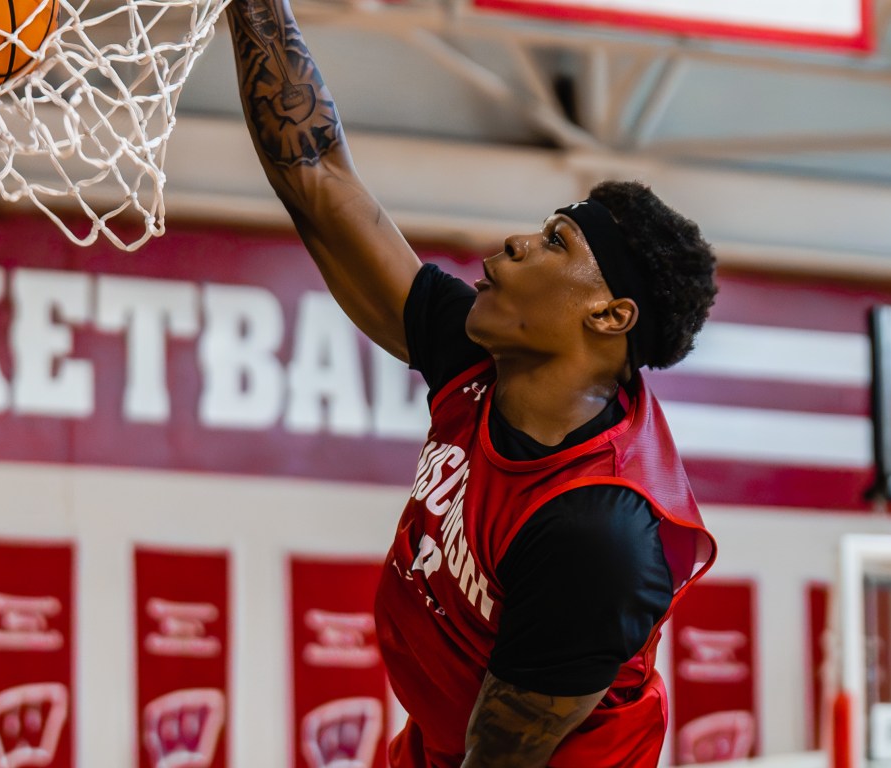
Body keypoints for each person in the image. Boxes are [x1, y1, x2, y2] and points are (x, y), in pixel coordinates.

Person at [223, 2, 722, 766]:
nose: (519, 241)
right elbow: (319, 176)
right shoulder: (484, 357)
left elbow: (501, 757)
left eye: (557, 241)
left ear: (609, 315)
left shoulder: (599, 531)